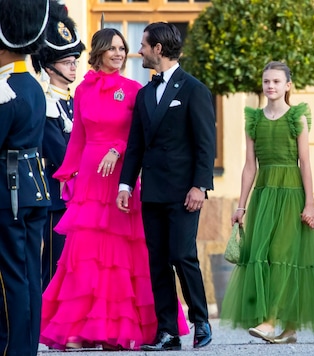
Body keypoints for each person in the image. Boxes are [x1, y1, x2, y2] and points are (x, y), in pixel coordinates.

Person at [40, 28, 188, 351]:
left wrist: (117, 149)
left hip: (121, 177)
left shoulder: (135, 90)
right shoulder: (82, 92)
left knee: (121, 257)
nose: (120, 54)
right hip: (90, 181)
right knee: (86, 255)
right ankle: (79, 330)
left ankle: (123, 331)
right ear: (100, 52)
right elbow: (78, 136)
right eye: (113, 49)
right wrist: (67, 174)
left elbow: (141, 137)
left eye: (123, 48)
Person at [117, 22, 215, 351]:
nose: (139, 50)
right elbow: (135, 146)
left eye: (143, 45)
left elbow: (206, 144)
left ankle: (201, 321)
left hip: (185, 191)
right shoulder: (144, 94)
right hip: (153, 191)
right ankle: (168, 332)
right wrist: (126, 185)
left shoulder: (194, 90)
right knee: (157, 260)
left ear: (158, 49)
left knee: (182, 255)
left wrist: (200, 186)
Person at [220, 61, 314, 344]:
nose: (270, 86)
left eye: (276, 81)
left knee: (284, 255)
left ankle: (272, 322)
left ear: (288, 85)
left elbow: (305, 163)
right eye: (266, 81)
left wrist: (309, 204)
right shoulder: (254, 120)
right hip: (264, 195)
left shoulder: (298, 117)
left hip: (292, 194)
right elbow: (249, 167)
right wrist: (241, 205)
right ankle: (287, 328)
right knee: (264, 255)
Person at [0, 1, 51, 355]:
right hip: (33, 188)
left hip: (9, 191)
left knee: (10, 279)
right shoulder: (30, 84)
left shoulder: (5, 89)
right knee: (30, 277)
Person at [31, 2, 85, 291]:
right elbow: (62, 154)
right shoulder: (46, 104)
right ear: (49, 66)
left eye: (75, 60)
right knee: (54, 264)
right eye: (67, 62)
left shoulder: (73, 102)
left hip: (81, 197)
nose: (74, 66)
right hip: (57, 197)